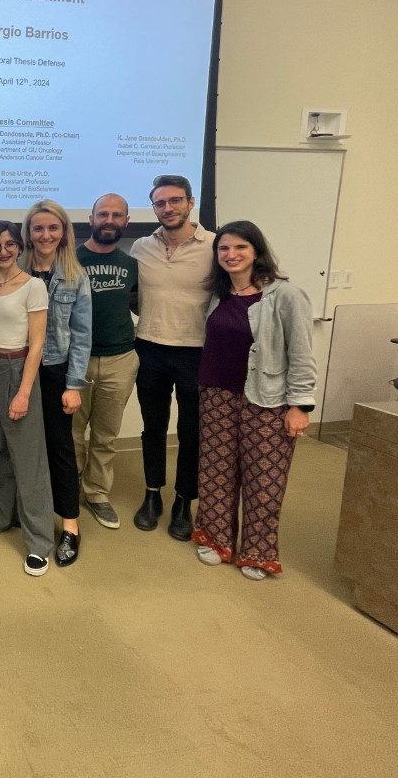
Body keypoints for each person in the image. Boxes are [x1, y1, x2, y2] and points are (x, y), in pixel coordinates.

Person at [192, 220, 315, 579]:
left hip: (267, 399)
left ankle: (258, 553)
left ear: (256, 251)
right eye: (224, 249)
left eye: (240, 247)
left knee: (265, 479)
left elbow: (303, 353)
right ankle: (216, 539)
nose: (231, 255)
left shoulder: (285, 296)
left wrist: (300, 405)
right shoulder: (218, 294)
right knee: (216, 472)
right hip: (217, 395)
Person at [129, 175, 213, 540]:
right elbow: (132, 296)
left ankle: (183, 502)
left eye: (175, 201)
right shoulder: (141, 247)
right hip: (149, 347)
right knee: (153, 428)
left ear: (190, 203)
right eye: (160, 203)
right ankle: (153, 495)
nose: (168, 208)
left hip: (197, 352)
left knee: (192, 432)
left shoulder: (214, 245)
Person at [0, 220, 55, 575]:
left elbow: (37, 342)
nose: (3, 251)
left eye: (9, 244)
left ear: (20, 248)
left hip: (17, 371)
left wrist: (23, 392)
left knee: (28, 459)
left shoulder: (34, 286)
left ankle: (39, 541)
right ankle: (1, 516)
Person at [20, 200, 92, 566]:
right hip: (17, 370)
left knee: (60, 448)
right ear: (28, 233)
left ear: (64, 232)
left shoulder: (76, 276)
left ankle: (70, 526)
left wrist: (74, 385)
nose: (45, 235)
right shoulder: (13, 268)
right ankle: (26, 514)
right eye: (38, 228)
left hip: (55, 371)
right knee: (22, 444)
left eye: (53, 228)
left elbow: (81, 335)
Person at [74, 193, 140, 529]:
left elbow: (139, 304)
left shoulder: (131, 264)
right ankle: (69, 490)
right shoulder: (70, 258)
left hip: (119, 359)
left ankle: (97, 493)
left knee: (106, 434)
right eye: (103, 214)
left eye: (117, 215)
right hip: (77, 361)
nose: (109, 220)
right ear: (91, 218)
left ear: (126, 221)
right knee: (72, 433)